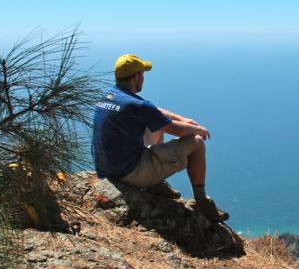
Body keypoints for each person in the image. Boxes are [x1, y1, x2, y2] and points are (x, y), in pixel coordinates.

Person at [92, 54, 229, 222]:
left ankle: (156, 185)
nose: (143, 79)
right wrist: (197, 129)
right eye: (142, 74)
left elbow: (154, 112)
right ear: (136, 77)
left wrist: (182, 119)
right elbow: (176, 130)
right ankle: (200, 201)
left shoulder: (110, 96)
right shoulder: (138, 106)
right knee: (197, 143)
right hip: (128, 173)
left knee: (155, 124)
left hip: (106, 168)